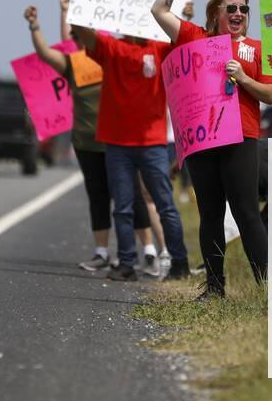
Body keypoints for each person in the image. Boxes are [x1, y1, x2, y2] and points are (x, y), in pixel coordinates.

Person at [150, 0, 272, 299]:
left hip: (241, 137)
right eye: (230, 8)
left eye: (243, 9)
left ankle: (268, 288)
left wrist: (243, 79)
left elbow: (269, 95)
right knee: (209, 214)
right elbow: (159, 12)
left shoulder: (257, 49)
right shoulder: (195, 38)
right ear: (216, 14)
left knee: (247, 214)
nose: (237, 14)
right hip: (203, 139)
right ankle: (214, 288)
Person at [23, 1, 159, 274]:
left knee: (132, 195)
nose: (80, 38)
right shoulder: (76, 63)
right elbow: (46, 53)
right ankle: (101, 252)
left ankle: (149, 251)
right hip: (87, 142)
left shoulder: (115, 56)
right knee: (98, 195)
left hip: (119, 140)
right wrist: (35, 26)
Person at [73, 25, 190, 282]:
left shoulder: (160, 48)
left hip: (152, 143)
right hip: (117, 143)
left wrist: (184, 12)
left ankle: (179, 263)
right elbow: (85, 34)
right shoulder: (113, 46)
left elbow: (183, 39)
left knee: (165, 205)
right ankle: (126, 263)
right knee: (123, 207)